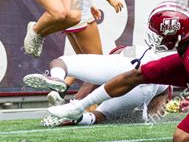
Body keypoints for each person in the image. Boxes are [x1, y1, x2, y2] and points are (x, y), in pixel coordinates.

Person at [46, 1, 189, 142]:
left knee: (180, 138)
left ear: (179, 36)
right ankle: (78, 105)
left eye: (160, 34)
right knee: (138, 74)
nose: (156, 37)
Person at [24, 45, 169, 127]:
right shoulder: (163, 74)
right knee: (99, 116)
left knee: (62, 62)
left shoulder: (126, 53)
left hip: (126, 66)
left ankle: (57, 77)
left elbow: (90, 84)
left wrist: (76, 99)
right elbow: (156, 114)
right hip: (146, 86)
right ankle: (78, 118)